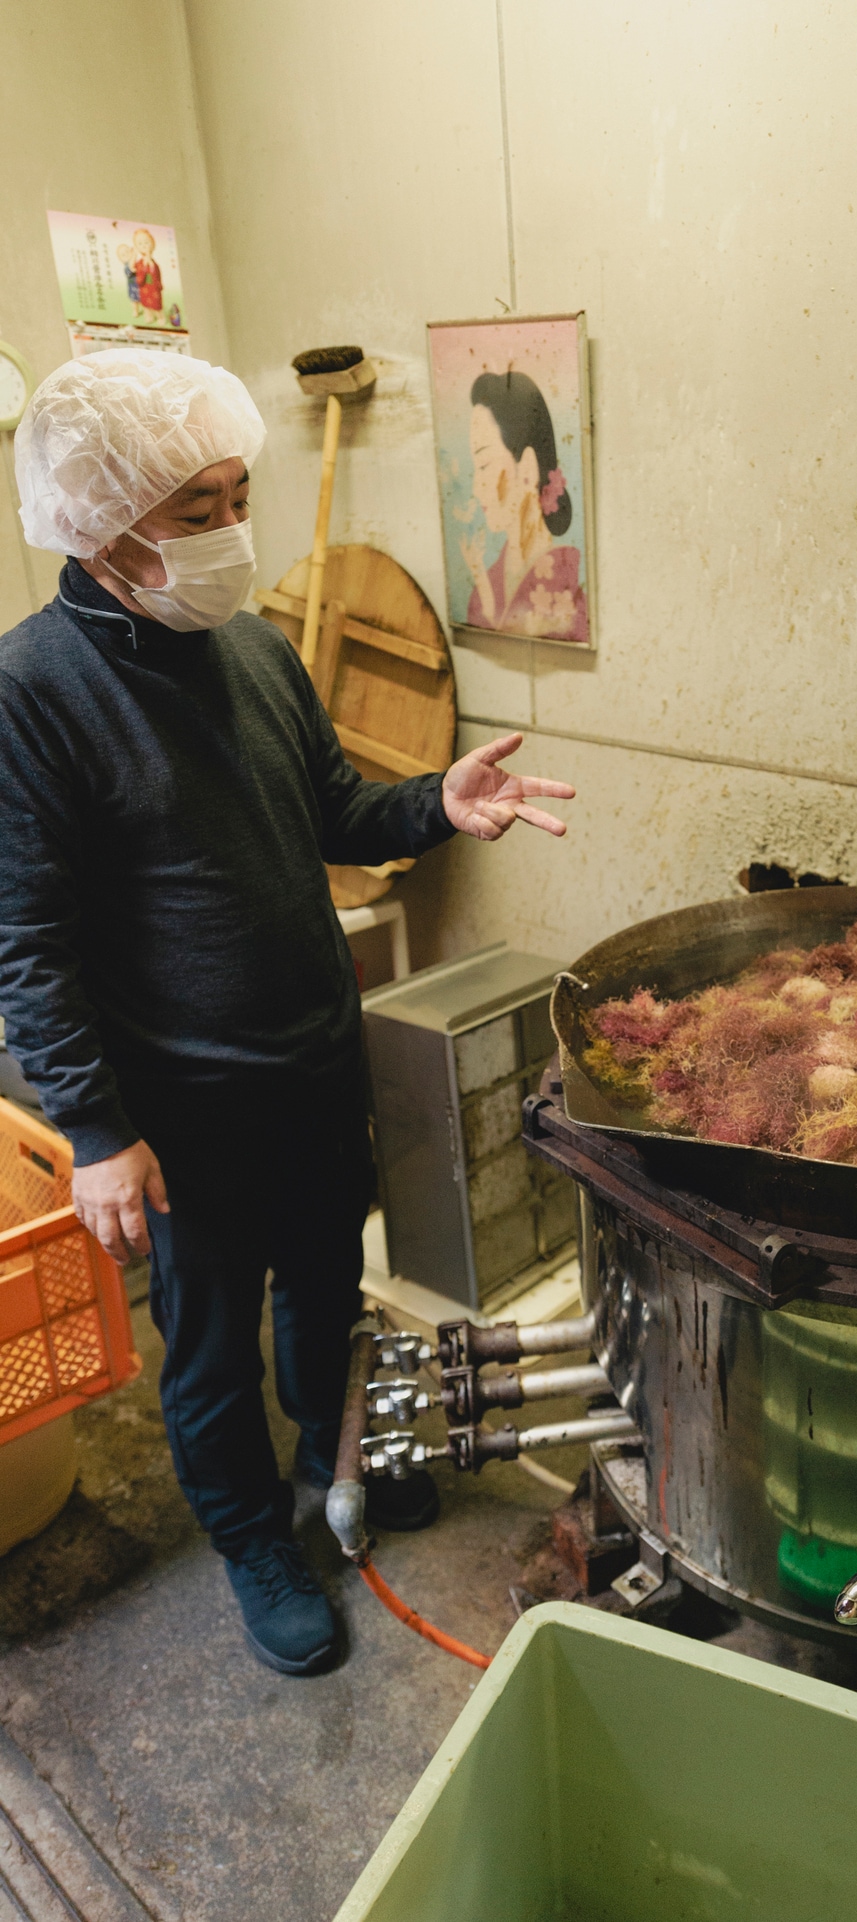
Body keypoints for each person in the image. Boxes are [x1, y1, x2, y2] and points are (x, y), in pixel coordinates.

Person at [3, 350, 575, 1676]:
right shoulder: (31, 694)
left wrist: (439, 803)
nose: (232, 529)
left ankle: (335, 1461)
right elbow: (24, 942)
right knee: (207, 1354)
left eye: (237, 493)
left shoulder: (250, 647)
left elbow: (334, 816)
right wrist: (93, 1130)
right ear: (99, 525)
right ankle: (258, 1537)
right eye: (195, 507)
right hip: (182, 1112)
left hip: (314, 1066)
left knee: (329, 1294)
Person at [459, 369, 588, 643]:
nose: (475, 487)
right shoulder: (483, 592)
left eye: (483, 465)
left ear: (527, 469)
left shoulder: (572, 600)